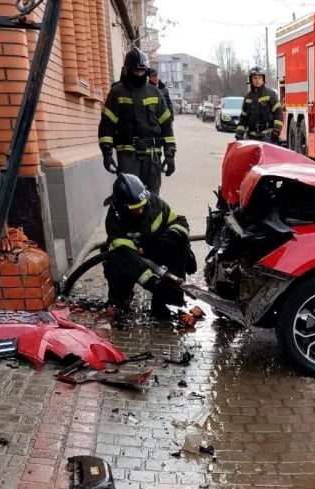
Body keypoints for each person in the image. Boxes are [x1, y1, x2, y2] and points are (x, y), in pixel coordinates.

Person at [102, 173, 196, 320]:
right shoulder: (115, 218)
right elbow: (125, 254)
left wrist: (172, 237)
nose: (139, 211)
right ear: (122, 206)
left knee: (180, 244)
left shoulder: (155, 204)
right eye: (134, 209)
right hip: (129, 258)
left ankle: (166, 302)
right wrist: (152, 282)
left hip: (155, 249)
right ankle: (120, 301)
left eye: (141, 206)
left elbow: (179, 222)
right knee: (114, 264)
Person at [98, 47, 176, 194]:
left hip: (152, 157)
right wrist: (107, 154)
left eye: (142, 71)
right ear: (128, 70)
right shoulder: (117, 93)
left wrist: (170, 154)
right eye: (136, 71)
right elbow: (106, 126)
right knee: (130, 196)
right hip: (128, 156)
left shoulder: (155, 93)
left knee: (153, 199)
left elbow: (167, 127)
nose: (139, 74)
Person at [235, 66, 284, 143]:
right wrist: (239, 133)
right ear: (251, 79)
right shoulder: (248, 97)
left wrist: (276, 131)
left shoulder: (271, 95)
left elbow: (278, 114)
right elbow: (243, 118)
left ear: (263, 79)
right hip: (251, 137)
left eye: (259, 78)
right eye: (255, 78)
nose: (257, 80)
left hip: (267, 136)